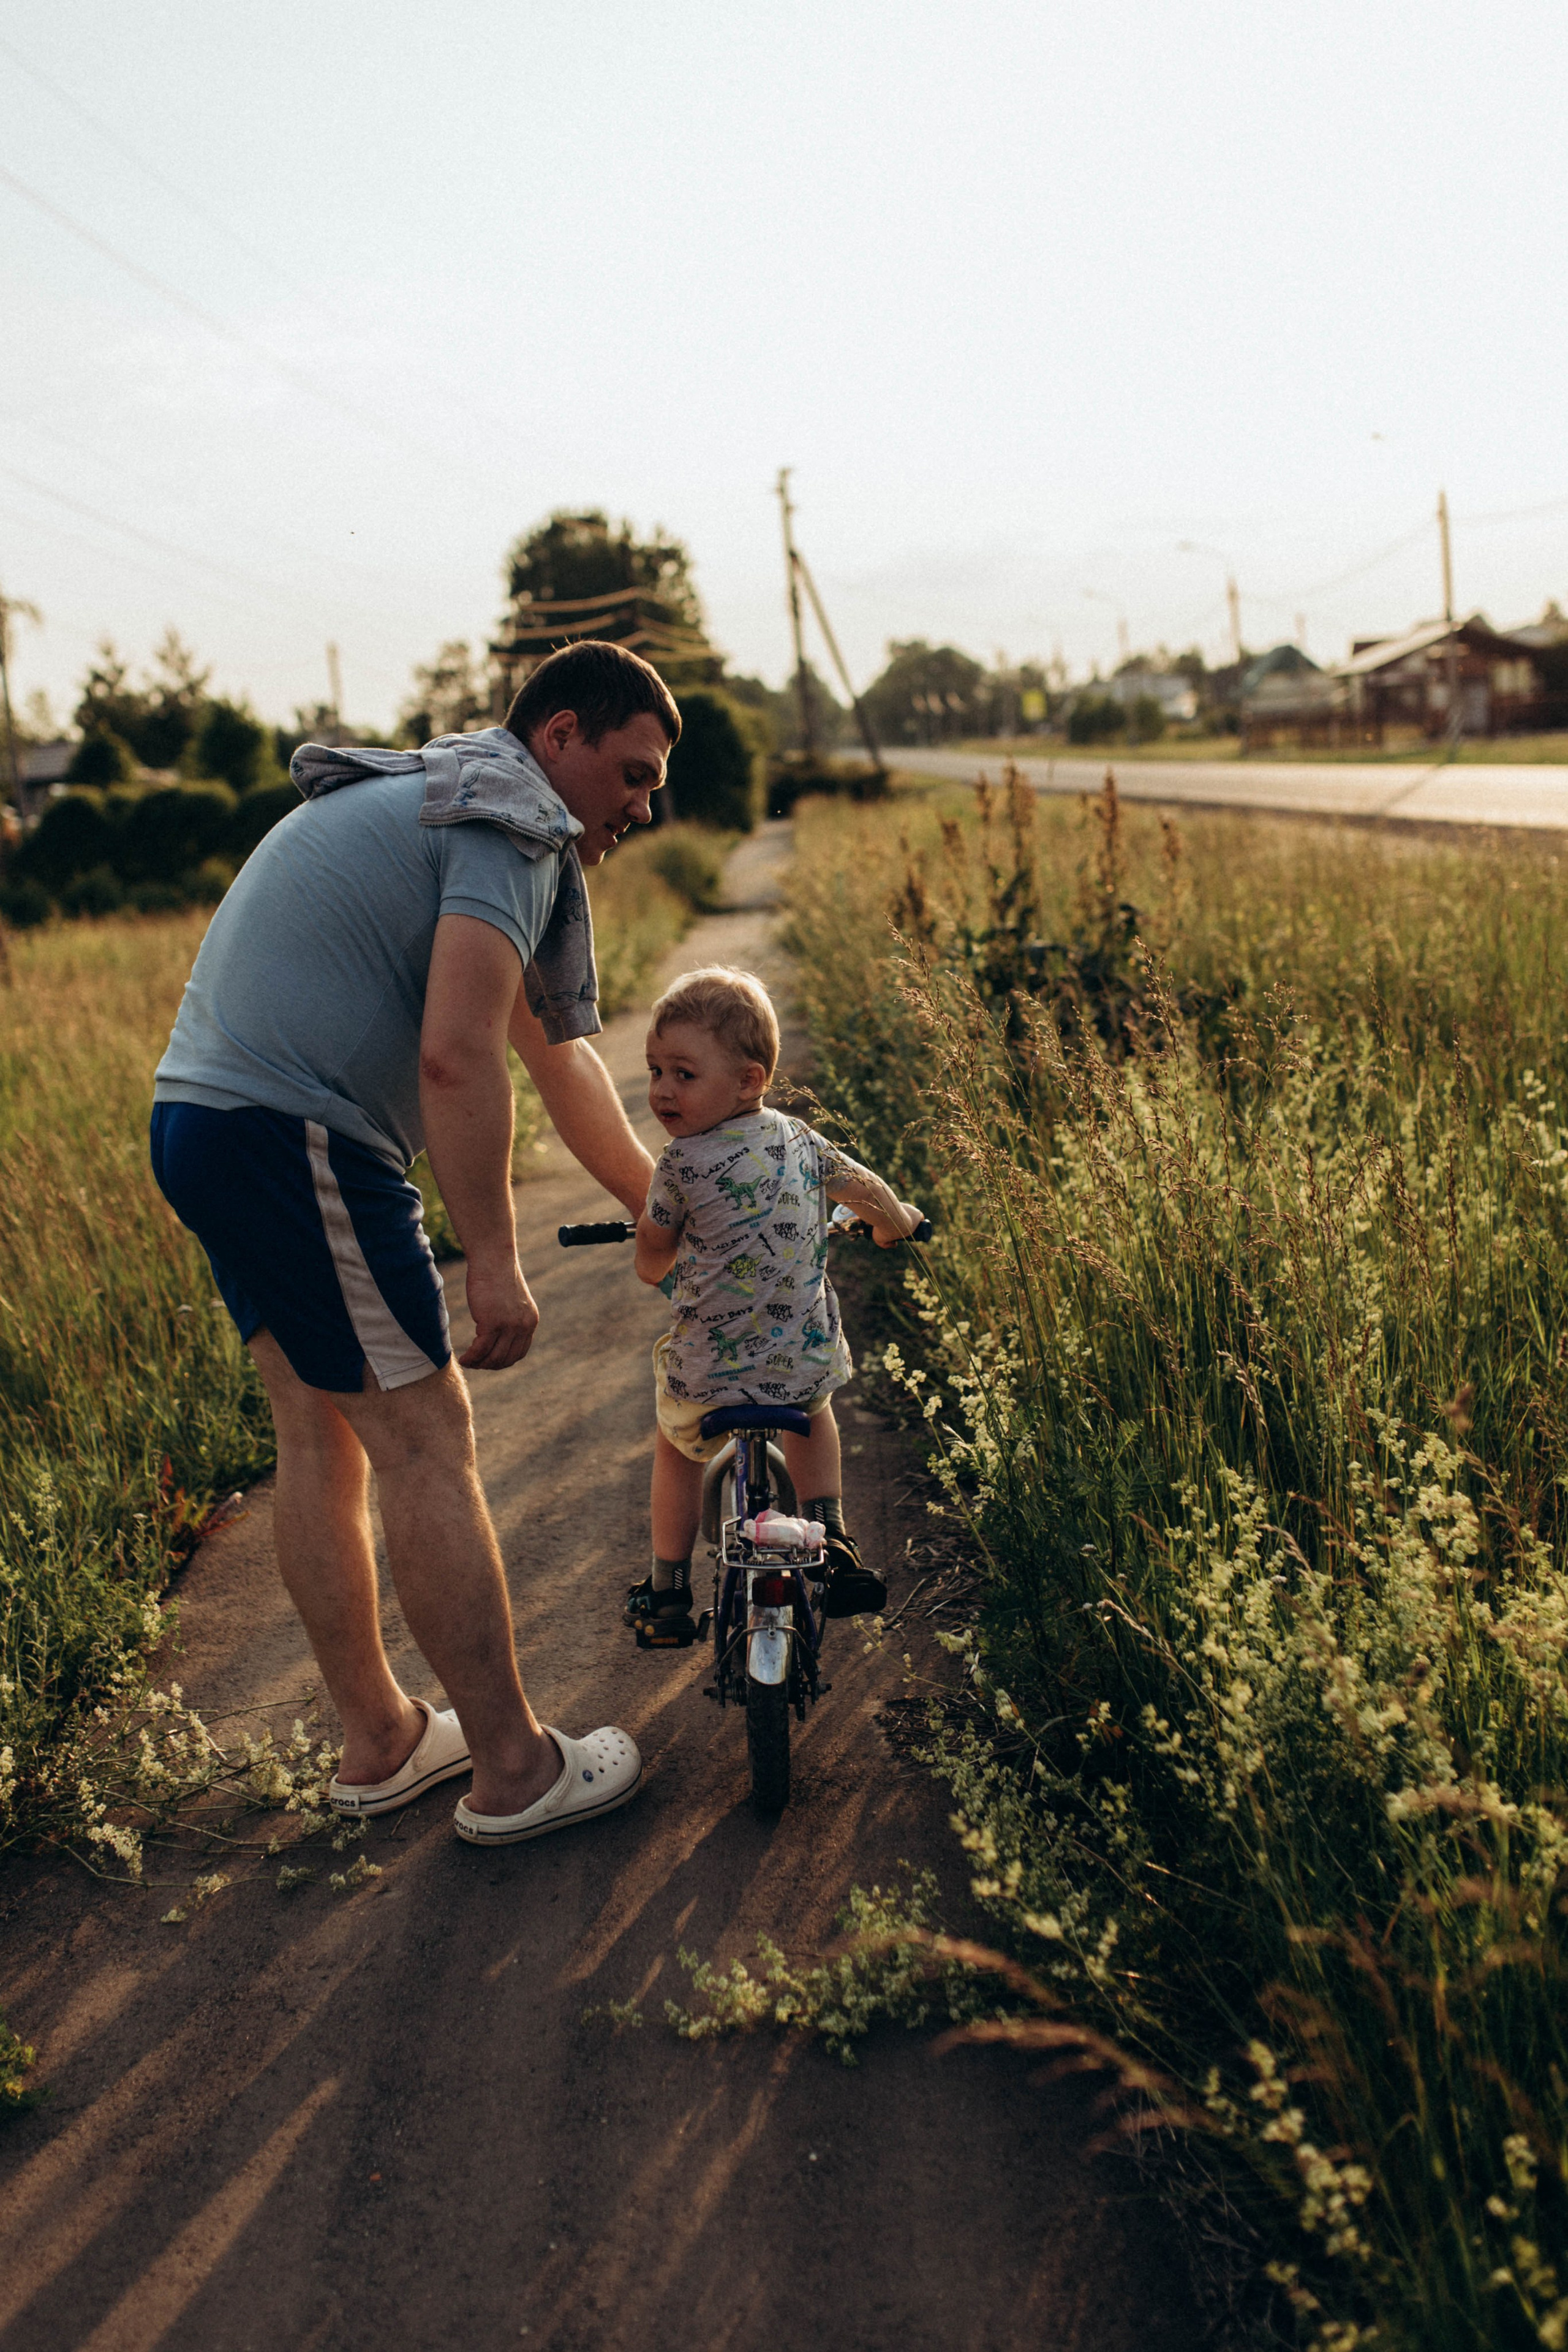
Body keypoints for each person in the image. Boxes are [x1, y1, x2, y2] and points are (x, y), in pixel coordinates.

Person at [150, 639, 670, 1847]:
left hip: (205, 1121)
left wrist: (663, 1200)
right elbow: (455, 1055)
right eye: (632, 774)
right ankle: (512, 1766)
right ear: (558, 741)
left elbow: (553, 1057)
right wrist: (490, 1255)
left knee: (319, 1425)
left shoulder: (445, 800)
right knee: (427, 1434)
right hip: (298, 1136)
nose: (642, 807)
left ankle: (382, 1736)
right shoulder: (508, 825)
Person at [627, 965, 924, 1641]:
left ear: (749, 1079)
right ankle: (834, 1537)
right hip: (799, 1360)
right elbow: (866, 1189)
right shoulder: (799, 1139)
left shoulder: (678, 1162)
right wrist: (893, 1222)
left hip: (708, 1370)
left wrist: (651, 1265)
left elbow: (653, 1246)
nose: (662, 1090)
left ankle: (668, 1590)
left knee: (677, 1445)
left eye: (683, 1072)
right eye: (654, 1070)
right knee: (813, 1411)